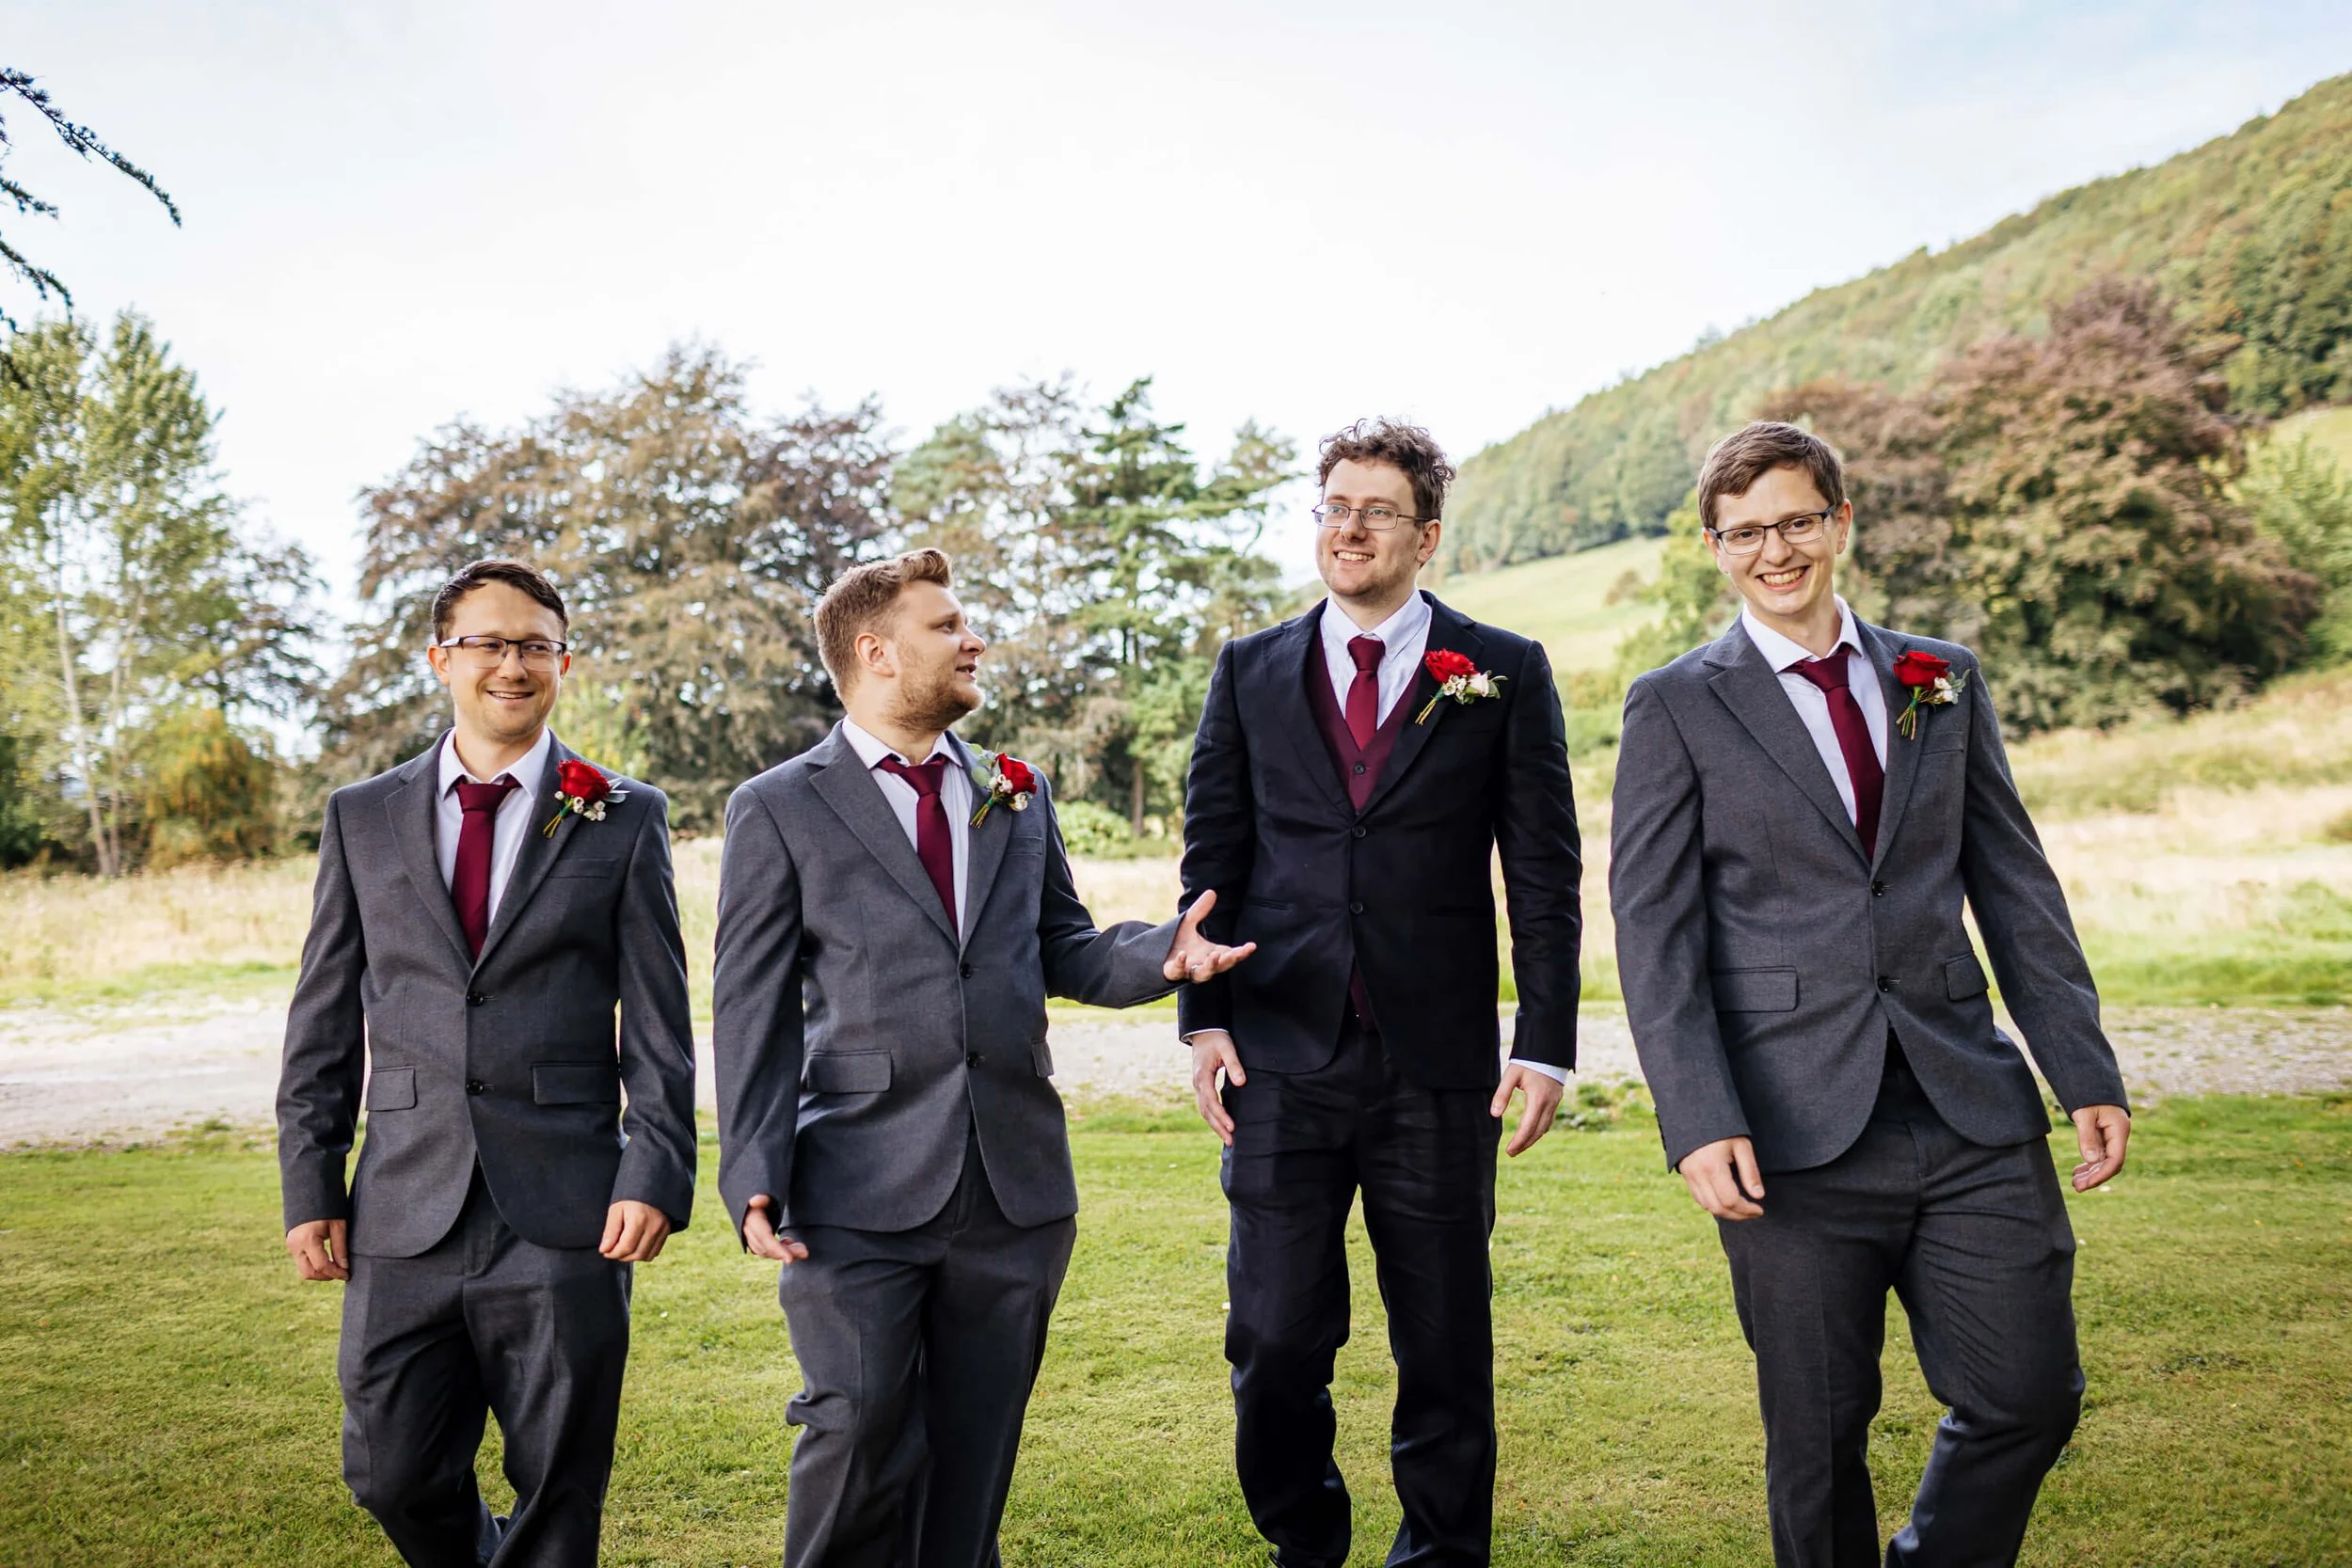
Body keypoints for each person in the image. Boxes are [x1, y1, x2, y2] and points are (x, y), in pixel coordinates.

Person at [1611, 420, 2133, 1567]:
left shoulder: (1937, 675)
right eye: (1744, 532)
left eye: (1797, 520)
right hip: (1787, 1128)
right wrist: (1697, 1116)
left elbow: (2012, 881)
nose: (1775, 550)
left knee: (2029, 1394)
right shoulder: (1674, 704)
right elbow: (1653, 931)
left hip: (1968, 1104)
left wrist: (2080, 1065)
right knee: (1817, 1434)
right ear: (1714, 547)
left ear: (1841, 521)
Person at [712, 547, 1252, 1568]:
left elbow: (1065, 946)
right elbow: (749, 1004)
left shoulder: (1015, 788)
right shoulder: (778, 804)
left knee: (972, 1460)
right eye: (947, 625)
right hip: (853, 1182)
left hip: (1013, 1189)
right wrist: (751, 1168)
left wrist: (1164, 953)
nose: (974, 641)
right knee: (859, 1422)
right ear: (875, 651)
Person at [1178, 420, 1581, 1568]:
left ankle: (1439, 1556)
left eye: (1377, 510)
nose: (1348, 528)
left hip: (1438, 1063)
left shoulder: (1500, 668)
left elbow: (1541, 874)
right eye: (1332, 506)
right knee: (1270, 1336)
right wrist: (1201, 1019)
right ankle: (1305, 1544)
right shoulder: (1249, 669)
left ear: (1428, 535)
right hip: (1277, 1051)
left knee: (1446, 1341)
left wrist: (1542, 1042)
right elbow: (1212, 858)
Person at [276, 557, 697, 1567]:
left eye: (536, 646)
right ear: (441, 658)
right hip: (401, 1205)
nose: (514, 664)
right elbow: (324, 1013)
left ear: (564, 662)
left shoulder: (623, 812)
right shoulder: (360, 814)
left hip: (565, 1205)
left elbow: (659, 1017)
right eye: (490, 643)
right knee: (390, 1468)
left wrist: (654, 1168)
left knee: (560, 1480)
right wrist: (309, 1183)